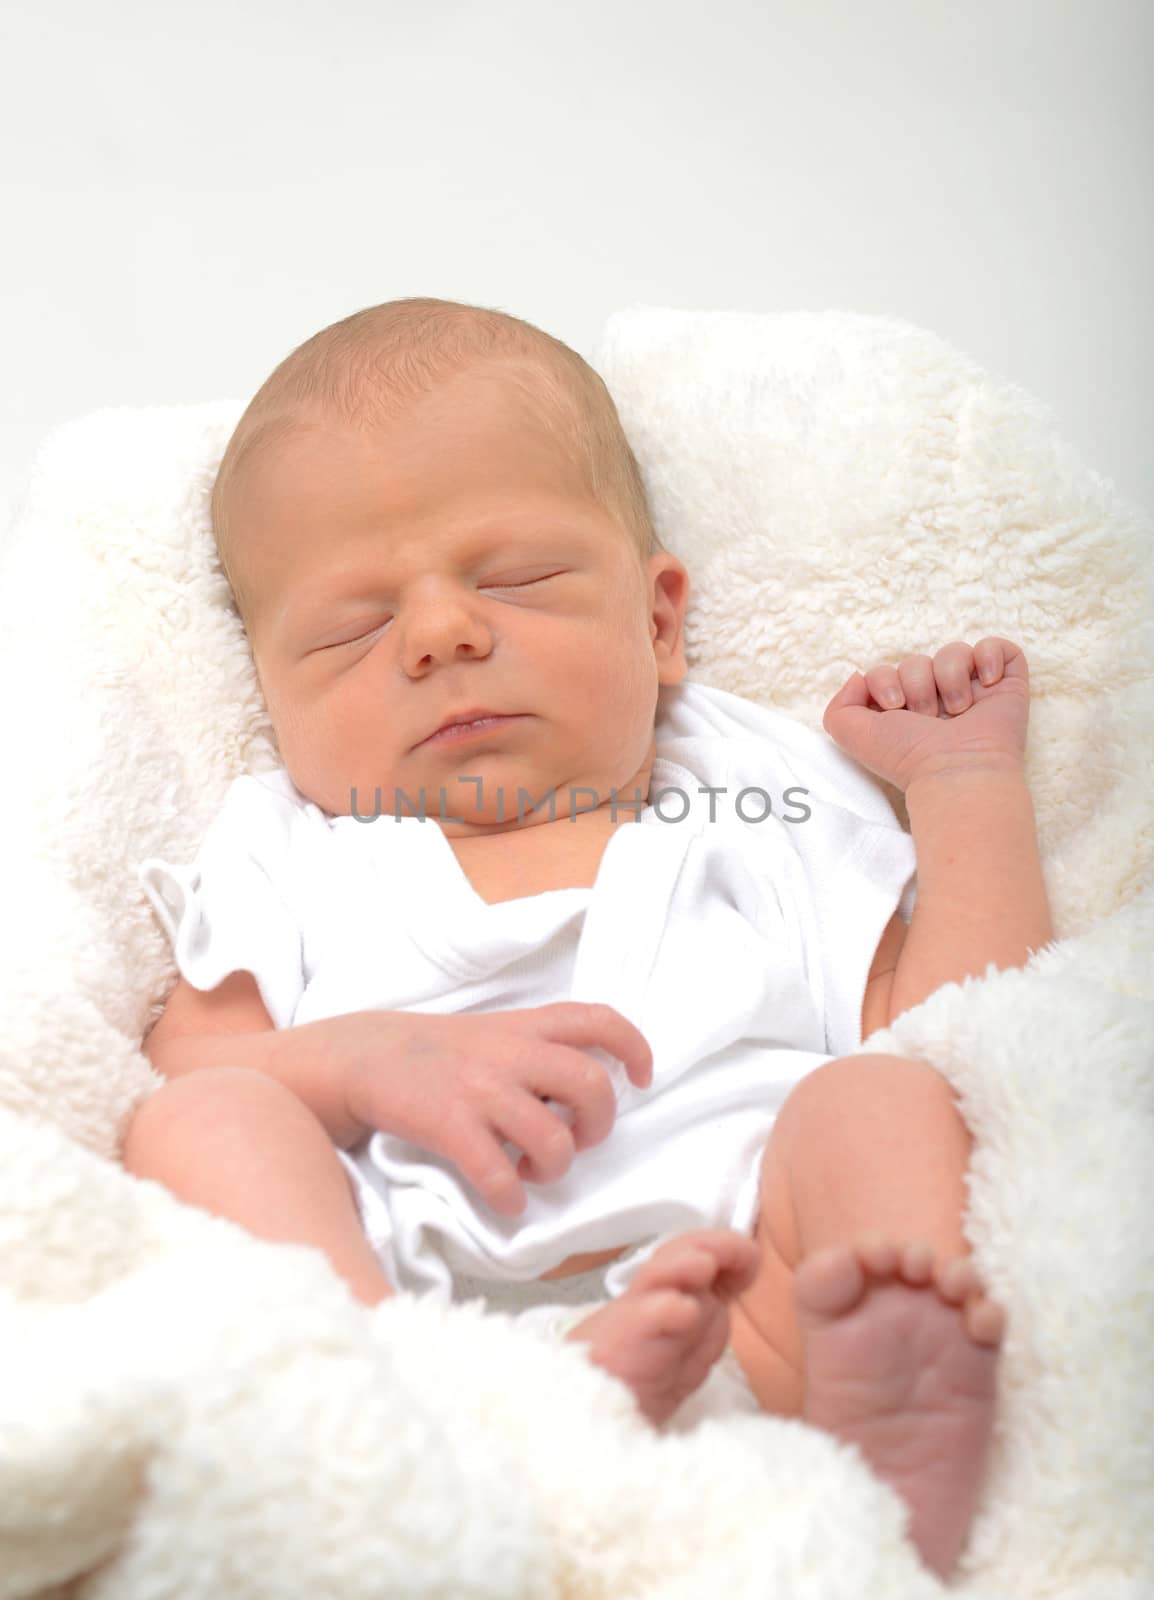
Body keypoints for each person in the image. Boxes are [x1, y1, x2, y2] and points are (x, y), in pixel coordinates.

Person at [125, 297, 1052, 1579]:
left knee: (887, 1102)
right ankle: (386, 1432)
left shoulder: (756, 789)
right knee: (204, 1127)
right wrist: (358, 1061)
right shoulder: (290, 841)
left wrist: (962, 791)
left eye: (513, 578)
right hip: (414, 1324)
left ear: (659, 623)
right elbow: (180, 1076)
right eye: (348, 630)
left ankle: (869, 1450)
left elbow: (967, 1025)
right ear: (272, 704)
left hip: (753, 1297)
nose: (441, 632)